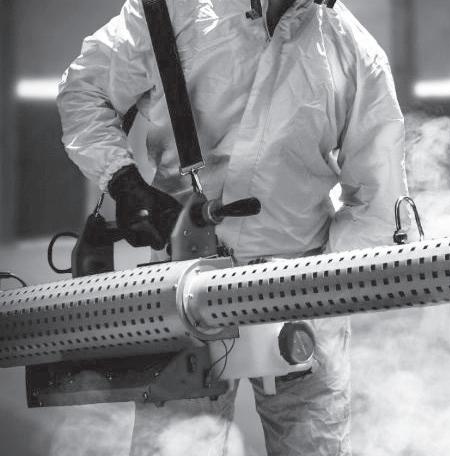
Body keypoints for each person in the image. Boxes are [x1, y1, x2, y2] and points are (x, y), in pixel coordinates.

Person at [57, 0, 407, 454]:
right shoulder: (169, 11)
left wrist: (326, 291)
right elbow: (84, 90)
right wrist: (124, 183)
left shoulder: (353, 49)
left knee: (312, 445)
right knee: (174, 446)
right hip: (182, 284)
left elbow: (376, 199)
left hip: (300, 288)